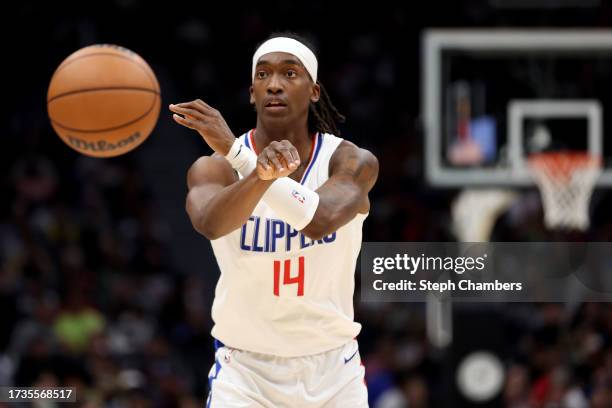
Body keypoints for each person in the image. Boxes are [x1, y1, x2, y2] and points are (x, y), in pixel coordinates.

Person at [169, 32, 378, 407]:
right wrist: (252, 170)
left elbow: (319, 219)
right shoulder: (214, 167)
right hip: (246, 373)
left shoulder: (349, 161)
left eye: (290, 74)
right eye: (263, 75)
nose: (275, 85)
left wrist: (241, 154)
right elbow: (209, 223)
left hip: (333, 372)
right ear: (252, 92)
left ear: (314, 91)